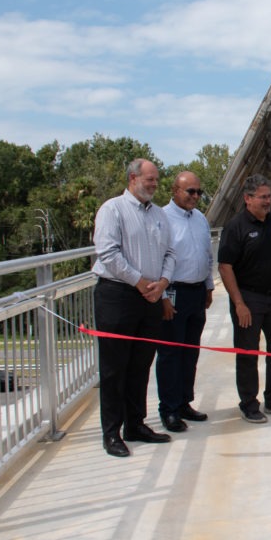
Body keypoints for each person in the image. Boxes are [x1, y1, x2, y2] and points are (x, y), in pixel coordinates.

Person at [92, 158, 175, 458]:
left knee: (141, 365)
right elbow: (108, 253)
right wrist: (140, 282)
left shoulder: (159, 215)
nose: (154, 185)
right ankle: (111, 432)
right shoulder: (112, 210)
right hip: (119, 296)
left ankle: (135, 424)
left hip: (151, 296)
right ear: (132, 178)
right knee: (114, 368)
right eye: (149, 180)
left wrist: (163, 282)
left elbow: (170, 252)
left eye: (156, 180)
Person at [218, 175, 271, 424]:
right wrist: (239, 303)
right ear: (247, 198)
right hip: (248, 298)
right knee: (248, 353)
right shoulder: (236, 226)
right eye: (263, 197)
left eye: (269, 197)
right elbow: (225, 266)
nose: (268, 201)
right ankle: (249, 404)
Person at [156, 171, 214, 433]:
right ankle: (168, 409)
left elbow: (207, 254)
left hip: (196, 292)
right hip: (174, 293)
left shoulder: (200, 219)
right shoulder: (162, 219)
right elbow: (157, 260)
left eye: (198, 192)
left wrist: (209, 286)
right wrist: (163, 297)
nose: (195, 197)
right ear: (174, 190)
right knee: (170, 353)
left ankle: (184, 403)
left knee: (190, 351)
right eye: (190, 191)